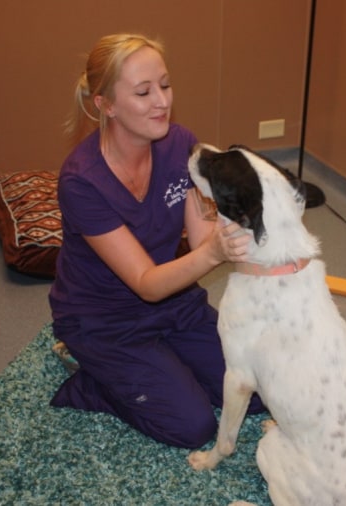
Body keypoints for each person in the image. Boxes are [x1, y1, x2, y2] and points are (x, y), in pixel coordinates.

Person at [48, 33, 263, 449]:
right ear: (105, 104)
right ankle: (92, 383)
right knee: (192, 424)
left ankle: (163, 364)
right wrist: (217, 250)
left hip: (174, 301)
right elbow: (146, 282)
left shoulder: (180, 144)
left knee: (253, 393)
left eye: (164, 85)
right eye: (144, 92)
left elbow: (203, 239)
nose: (162, 101)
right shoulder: (80, 181)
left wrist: (235, 228)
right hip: (105, 322)